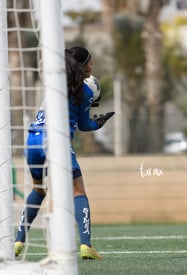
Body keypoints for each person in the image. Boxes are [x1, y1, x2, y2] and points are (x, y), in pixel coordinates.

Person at [14, 46, 114, 259]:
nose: (92, 66)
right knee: (78, 191)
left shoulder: (54, 83)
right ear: (83, 66)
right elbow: (85, 125)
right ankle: (86, 245)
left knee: (38, 190)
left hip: (32, 140)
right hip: (54, 141)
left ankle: (18, 241)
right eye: (90, 62)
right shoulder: (85, 91)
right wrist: (99, 122)